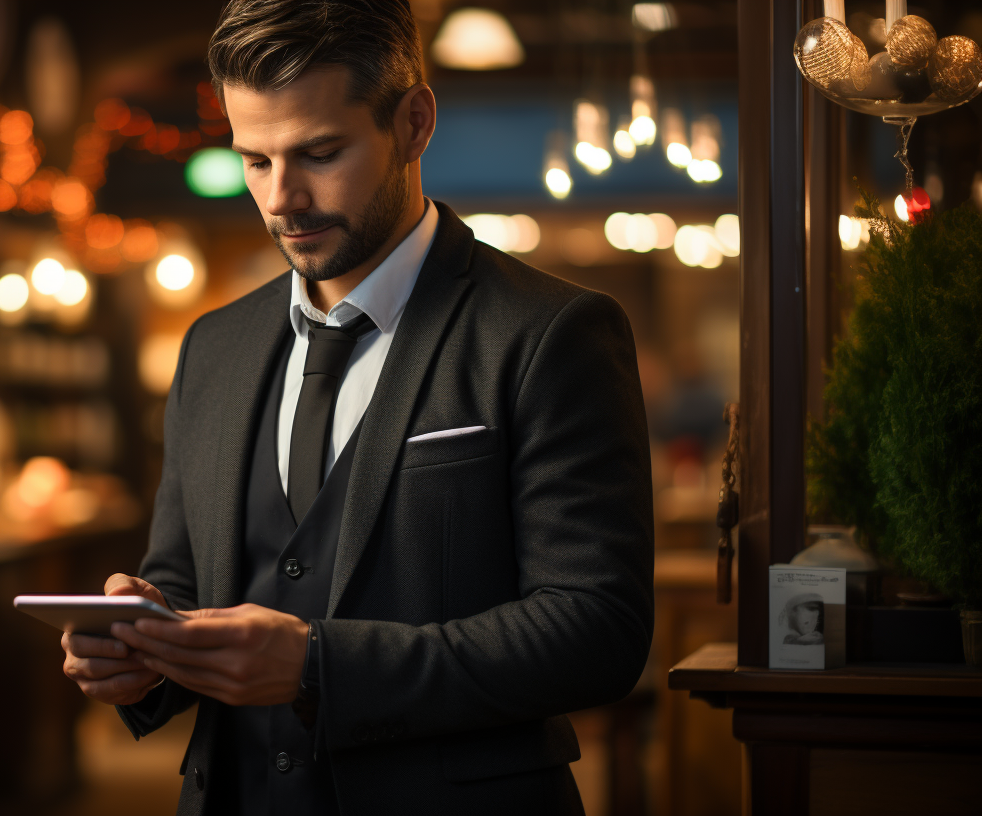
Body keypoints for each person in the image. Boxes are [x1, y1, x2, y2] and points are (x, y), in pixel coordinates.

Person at [59, 1, 654, 812]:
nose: (282, 199)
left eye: (320, 152)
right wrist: (145, 647)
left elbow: (595, 631)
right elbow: (184, 579)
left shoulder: (549, 333)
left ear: (413, 124)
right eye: (254, 161)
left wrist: (316, 665)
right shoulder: (213, 348)